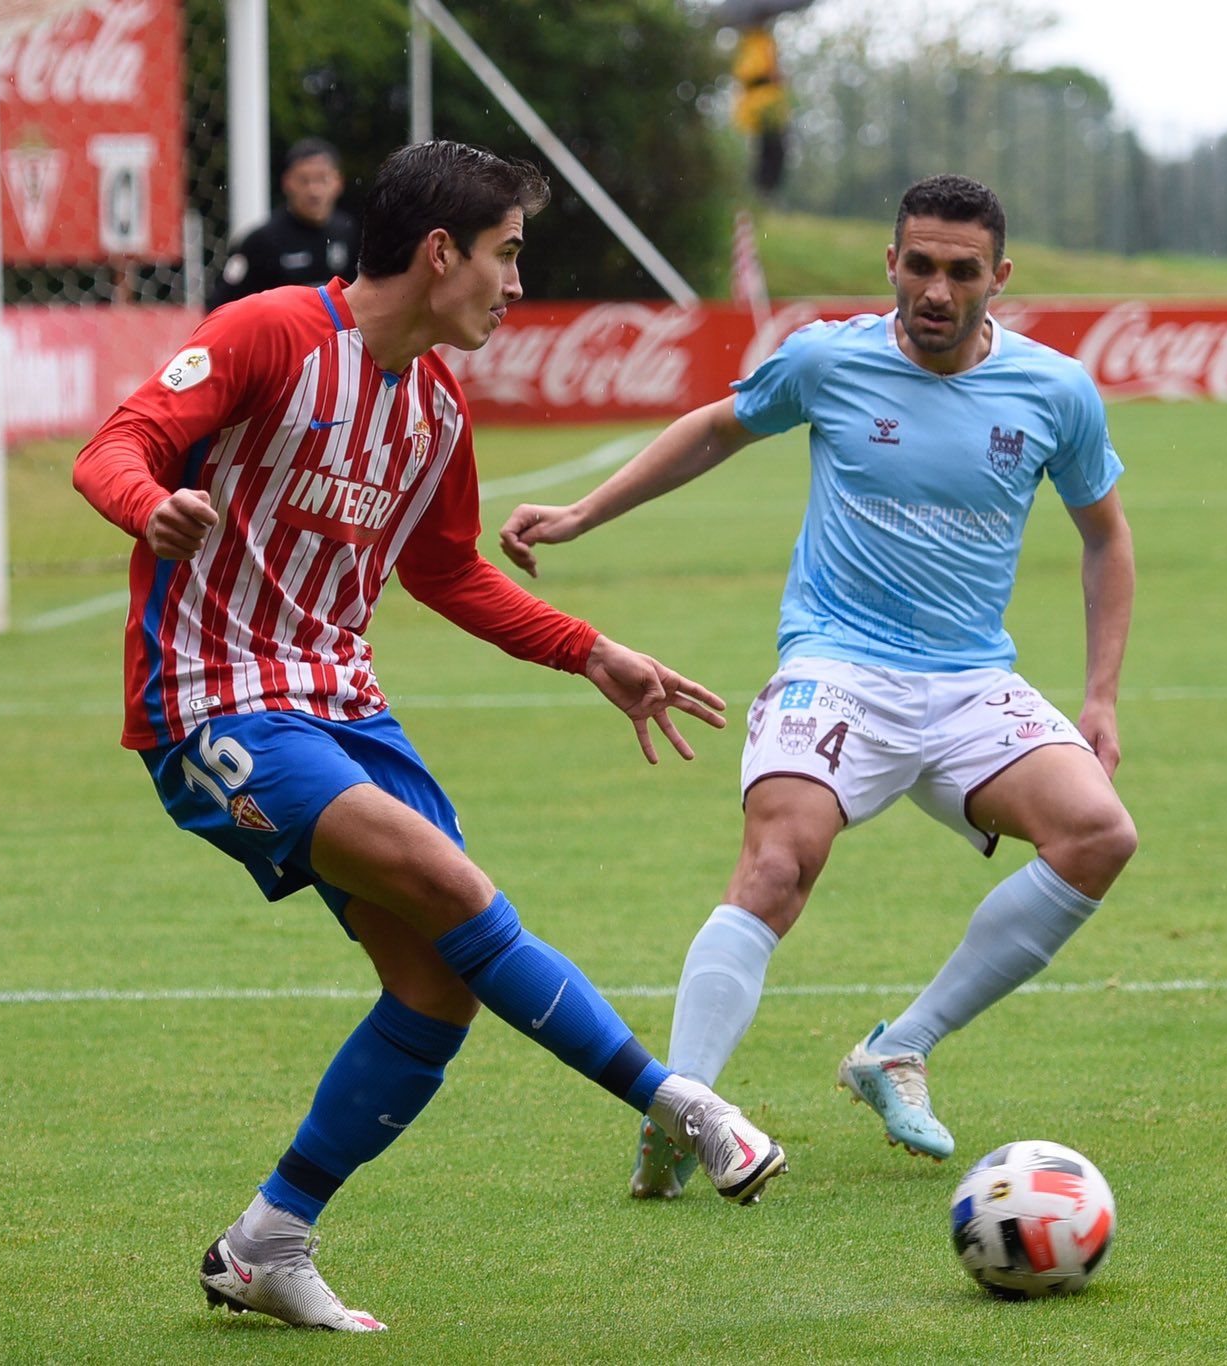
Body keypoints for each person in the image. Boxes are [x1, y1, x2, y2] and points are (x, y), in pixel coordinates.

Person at [74, 140, 786, 1331]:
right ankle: (673, 1100)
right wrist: (154, 506)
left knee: (435, 987)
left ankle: (265, 1240)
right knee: (450, 884)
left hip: (345, 706)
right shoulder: (270, 334)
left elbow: (446, 571)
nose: (516, 283)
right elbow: (112, 445)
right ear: (440, 250)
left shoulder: (436, 405)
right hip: (213, 701)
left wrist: (588, 648)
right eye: (507, 254)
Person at [499, 174, 1137, 1196]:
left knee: (1099, 834)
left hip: (972, 680)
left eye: (959, 271)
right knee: (778, 863)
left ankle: (896, 1049)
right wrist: (581, 513)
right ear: (890, 263)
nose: (934, 289)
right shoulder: (826, 359)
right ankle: (684, 1108)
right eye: (917, 265)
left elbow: (1104, 538)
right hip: (838, 666)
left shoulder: (1053, 392)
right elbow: (715, 427)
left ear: (997, 279)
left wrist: (1098, 694)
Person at [206, 138, 362, 311]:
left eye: (322, 179)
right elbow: (220, 305)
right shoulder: (261, 241)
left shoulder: (349, 231)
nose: (314, 190)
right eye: (304, 180)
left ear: (338, 182)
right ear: (287, 183)